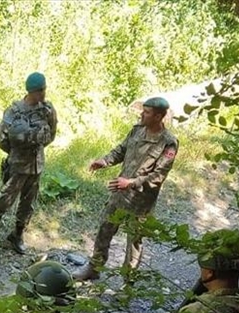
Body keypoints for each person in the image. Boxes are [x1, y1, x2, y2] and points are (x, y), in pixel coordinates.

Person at [72, 97, 179, 281]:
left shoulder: (168, 143)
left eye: (146, 112)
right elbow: (121, 150)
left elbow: (158, 176)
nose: (141, 114)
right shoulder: (137, 130)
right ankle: (94, 267)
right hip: (120, 194)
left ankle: (127, 282)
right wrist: (104, 161)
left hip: (141, 202)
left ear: (159, 116)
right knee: (105, 229)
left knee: (134, 241)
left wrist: (130, 183)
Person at [0, 72, 57, 257]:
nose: (43, 94)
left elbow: (51, 134)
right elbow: (0, 139)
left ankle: (17, 234)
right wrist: (16, 152)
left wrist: (35, 147)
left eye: (44, 89)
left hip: (36, 165)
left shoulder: (47, 109)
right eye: (40, 90)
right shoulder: (14, 111)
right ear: (31, 91)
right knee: (3, 201)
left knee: (28, 204)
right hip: (17, 166)